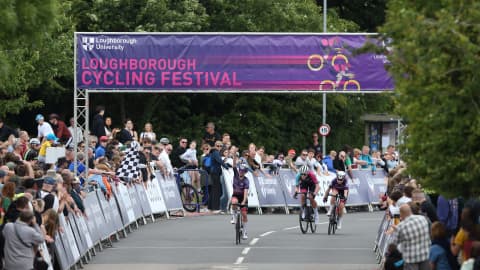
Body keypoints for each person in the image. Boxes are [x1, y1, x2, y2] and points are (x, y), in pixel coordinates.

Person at [390, 204, 431, 270]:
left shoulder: (400, 226)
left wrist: (396, 230)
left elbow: (394, 244)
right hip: (425, 255)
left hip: (411, 258)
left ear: (401, 213)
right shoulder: (423, 219)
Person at [230, 162, 250, 240]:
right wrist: (234, 153)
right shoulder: (235, 175)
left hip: (243, 197)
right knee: (234, 202)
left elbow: (245, 192)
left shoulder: (246, 181)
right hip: (235, 195)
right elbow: (234, 165)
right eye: (240, 170)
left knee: (244, 214)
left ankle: (244, 232)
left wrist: (244, 201)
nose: (240, 172)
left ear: (245, 172)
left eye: (242, 171)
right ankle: (234, 217)